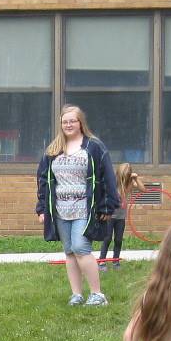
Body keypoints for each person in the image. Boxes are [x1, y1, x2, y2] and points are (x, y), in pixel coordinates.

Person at [37, 104, 118, 307]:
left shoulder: (94, 146)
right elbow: (43, 180)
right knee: (69, 251)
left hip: (85, 207)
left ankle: (97, 294)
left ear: (80, 123)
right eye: (65, 121)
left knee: (81, 247)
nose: (68, 124)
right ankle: (77, 295)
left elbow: (107, 177)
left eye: (72, 120)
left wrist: (108, 206)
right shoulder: (53, 150)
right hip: (60, 210)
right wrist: (42, 208)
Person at [99, 163, 143, 267]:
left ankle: (116, 261)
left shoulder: (130, 184)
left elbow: (143, 189)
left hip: (121, 217)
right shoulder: (113, 183)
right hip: (110, 216)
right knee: (107, 238)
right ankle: (102, 261)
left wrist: (136, 179)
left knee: (118, 239)